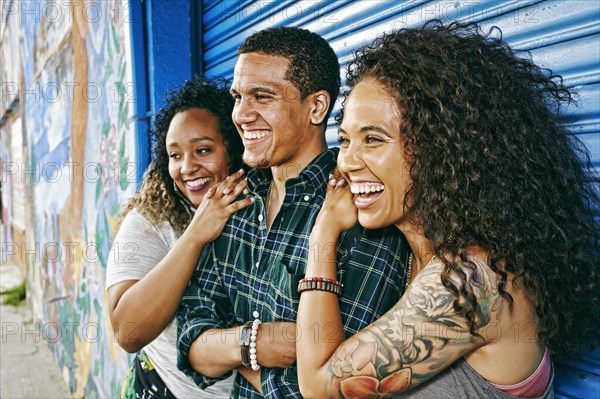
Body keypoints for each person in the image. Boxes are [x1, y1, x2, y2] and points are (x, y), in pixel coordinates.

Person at [296, 20, 600, 398]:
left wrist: (322, 233)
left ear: (439, 149)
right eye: (344, 140)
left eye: (373, 139)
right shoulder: (406, 253)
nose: (346, 161)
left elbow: (316, 386)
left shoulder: (472, 279)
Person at [176, 27, 410, 398]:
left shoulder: (360, 210)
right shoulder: (234, 200)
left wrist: (230, 352)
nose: (240, 114)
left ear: (316, 107)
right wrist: (257, 342)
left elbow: (336, 385)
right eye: (238, 97)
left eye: (262, 97)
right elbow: (190, 341)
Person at [106, 77, 253, 398]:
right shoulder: (150, 220)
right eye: (175, 155)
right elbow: (127, 332)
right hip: (165, 390)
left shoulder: (261, 207)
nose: (187, 167)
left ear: (233, 145)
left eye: (203, 150)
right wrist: (194, 236)